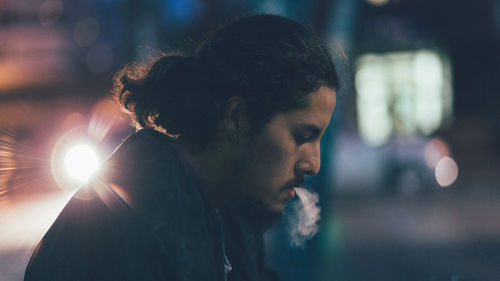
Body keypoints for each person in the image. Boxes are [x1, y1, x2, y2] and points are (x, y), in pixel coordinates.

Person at [24, 14, 339, 281]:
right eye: (302, 136)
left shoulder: (228, 204)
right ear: (237, 118)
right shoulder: (141, 215)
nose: (313, 164)